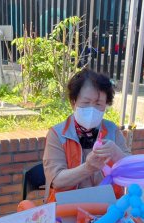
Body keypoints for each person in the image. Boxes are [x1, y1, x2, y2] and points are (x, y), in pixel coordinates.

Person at [43, 69, 130, 203]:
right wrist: (87, 168)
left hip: (109, 207)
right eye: (85, 103)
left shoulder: (112, 130)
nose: (92, 109)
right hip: (67, 209)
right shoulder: (58, 134)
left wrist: (116, 153)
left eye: (98, 104)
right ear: (73, 103)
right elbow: (57, 180)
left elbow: (131, 171)